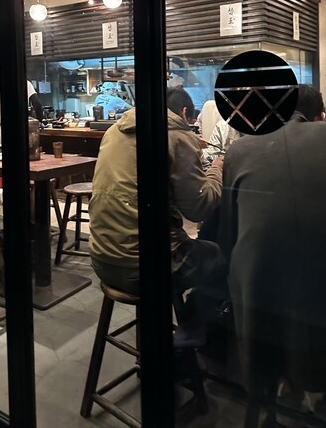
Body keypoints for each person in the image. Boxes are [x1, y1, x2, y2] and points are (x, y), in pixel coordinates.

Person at [220, 84, 326, 411]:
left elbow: (228, 234)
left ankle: (278, 382)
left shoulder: (240, 148)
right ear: (321, 117)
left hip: (260, 327)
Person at [89, 87, 226, 345]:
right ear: (184, 113)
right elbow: (199, 207)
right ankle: (194, 331)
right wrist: (217, 168)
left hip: (100, 258)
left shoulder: (114, 131)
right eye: (191, 122)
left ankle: (179, 332)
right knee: (217, 256)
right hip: (143, 269)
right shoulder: (178, 136)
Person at [0, 78, 43, 143]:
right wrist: (40, 121)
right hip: (23, 130)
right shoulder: (25, 83)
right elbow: (37, 103)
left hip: (6, 131)